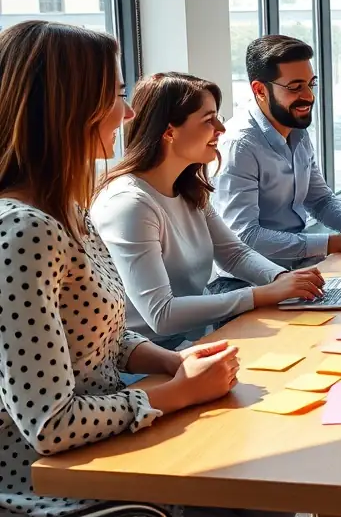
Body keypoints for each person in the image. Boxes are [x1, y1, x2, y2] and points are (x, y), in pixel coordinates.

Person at [0, 20, 293, 517]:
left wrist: (170, 362)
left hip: (110, 448)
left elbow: (104, 336)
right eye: (114, 95)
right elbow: (50, 425)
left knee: (275, 482)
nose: (128, 113)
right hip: (48, 492)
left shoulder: (68, 209)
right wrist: (179, 392)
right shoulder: (23, 231)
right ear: (66, 107)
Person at [92, 73, 325, 349]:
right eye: (208, 120)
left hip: (195, 341)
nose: (221, 129)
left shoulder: (188, 188)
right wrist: (263, 294)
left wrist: (283, 279)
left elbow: (234, 254)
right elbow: (161, 315)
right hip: (150, 356)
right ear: (169, 132)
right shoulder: (129, 204)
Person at [213, 35, 341, 270]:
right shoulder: (239, 145)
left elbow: (320, 201)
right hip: (250, 282)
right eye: (295, 87)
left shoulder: (297, 131)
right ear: (260, 90)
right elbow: (245, 236)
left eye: (311, 84)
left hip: (300, 271)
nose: (309, 96)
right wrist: (336, 243)